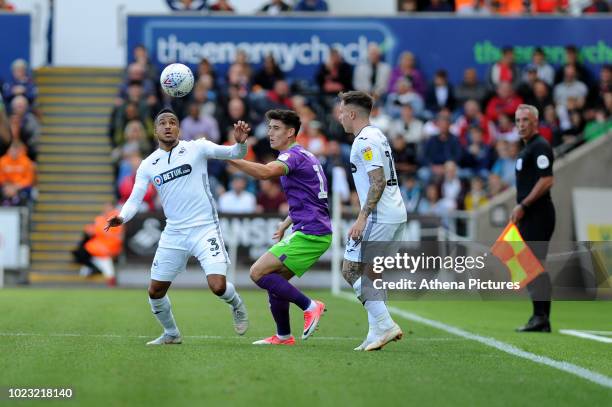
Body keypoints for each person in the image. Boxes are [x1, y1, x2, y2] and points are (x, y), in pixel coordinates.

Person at [105, 108, 250, 345]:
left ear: (179, 129)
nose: (168, 126)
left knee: (217, 286)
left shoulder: (197, 147)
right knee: (155, 291)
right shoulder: (148, 164)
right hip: (174, 232)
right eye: (163, 123)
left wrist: (241, 144)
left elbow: (235, 153)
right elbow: (135, 198)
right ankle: (171, 333)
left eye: (173, 122)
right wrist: (122, 217)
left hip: (205, 228)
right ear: (155, 130)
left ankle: (237, 305)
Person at [228, 109, 330, 345]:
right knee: (275, 283)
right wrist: (286, 222)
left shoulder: (291, 156)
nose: (270, 133)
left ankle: (310, 306)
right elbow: (310, 196)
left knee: (257, 272)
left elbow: (265, 173)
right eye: (269, 127)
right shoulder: (305, 155)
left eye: (276, 128)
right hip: (311, 228)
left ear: (290, 132)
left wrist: (225, 157)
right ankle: (283, 335)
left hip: (311, 233)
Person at [337, 91, 406, 351]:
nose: (340, 116)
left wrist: (361, 218)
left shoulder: (364, 141)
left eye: (343, 112)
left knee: (350, 270)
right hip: (394, 212)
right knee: (372, 275)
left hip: (379, 216)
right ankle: (375, 333)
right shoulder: (377, 135)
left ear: (353, 114)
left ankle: (385, 324)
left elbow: (377, 181)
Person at [510, 104, 555, 332]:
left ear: (535, 122)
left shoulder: (540, 147)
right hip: (528, 215)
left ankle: (541, 317)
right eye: (518, 120)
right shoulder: (528, 148)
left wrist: (523, 205)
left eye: (525, 120)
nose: (521, 125)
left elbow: (547, 179)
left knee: (534, 264)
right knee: (530, 264)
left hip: (538, 214)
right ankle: (540, 317)